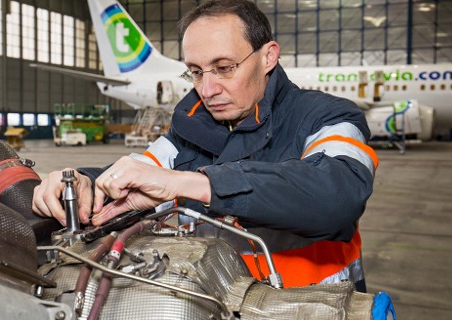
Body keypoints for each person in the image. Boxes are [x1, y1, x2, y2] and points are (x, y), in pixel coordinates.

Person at [32, 0, 377, 292]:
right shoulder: (189, 130)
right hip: (216, 302)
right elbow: (137, 174)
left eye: (224, 68)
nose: (207, 89)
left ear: (268, 56)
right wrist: (81, 181)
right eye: (195, 72)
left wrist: (194, 184)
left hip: (310, 305)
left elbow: (337, 195)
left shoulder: (327, 117)